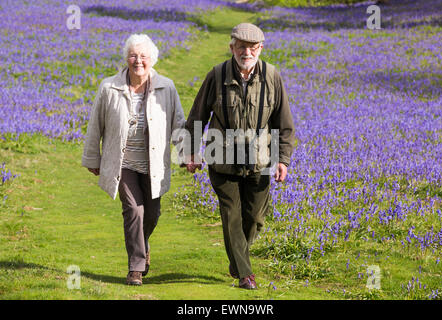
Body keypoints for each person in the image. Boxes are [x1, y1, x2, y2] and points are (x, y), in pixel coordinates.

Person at [184, 23, 295, 289]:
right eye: (241, 47)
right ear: (232, 47)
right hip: (222, 158)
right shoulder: (216, 75)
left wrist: (283, 159)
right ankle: (246, 275)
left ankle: (237, 260)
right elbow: (197, 116)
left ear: (260, 48)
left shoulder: (272, 76)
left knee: (255, 218)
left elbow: (284, 123)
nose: (247, 52)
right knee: (231, 216)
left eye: (252, 47)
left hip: (259, 159)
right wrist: (189, 151)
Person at [82, 34, 185, 286]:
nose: (138, 61)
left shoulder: (166, 87)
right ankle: (135, 268)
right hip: (123, 162)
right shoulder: (109, 87)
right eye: (133, 55)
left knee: (152, 214)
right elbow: (95, 125)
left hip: (154, 164)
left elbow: (179, 124)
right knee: (134, 211)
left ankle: (143, 243)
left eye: (143, 56)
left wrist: (187, 154)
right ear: (126, 58)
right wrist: (92, 157)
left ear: (152, 60)